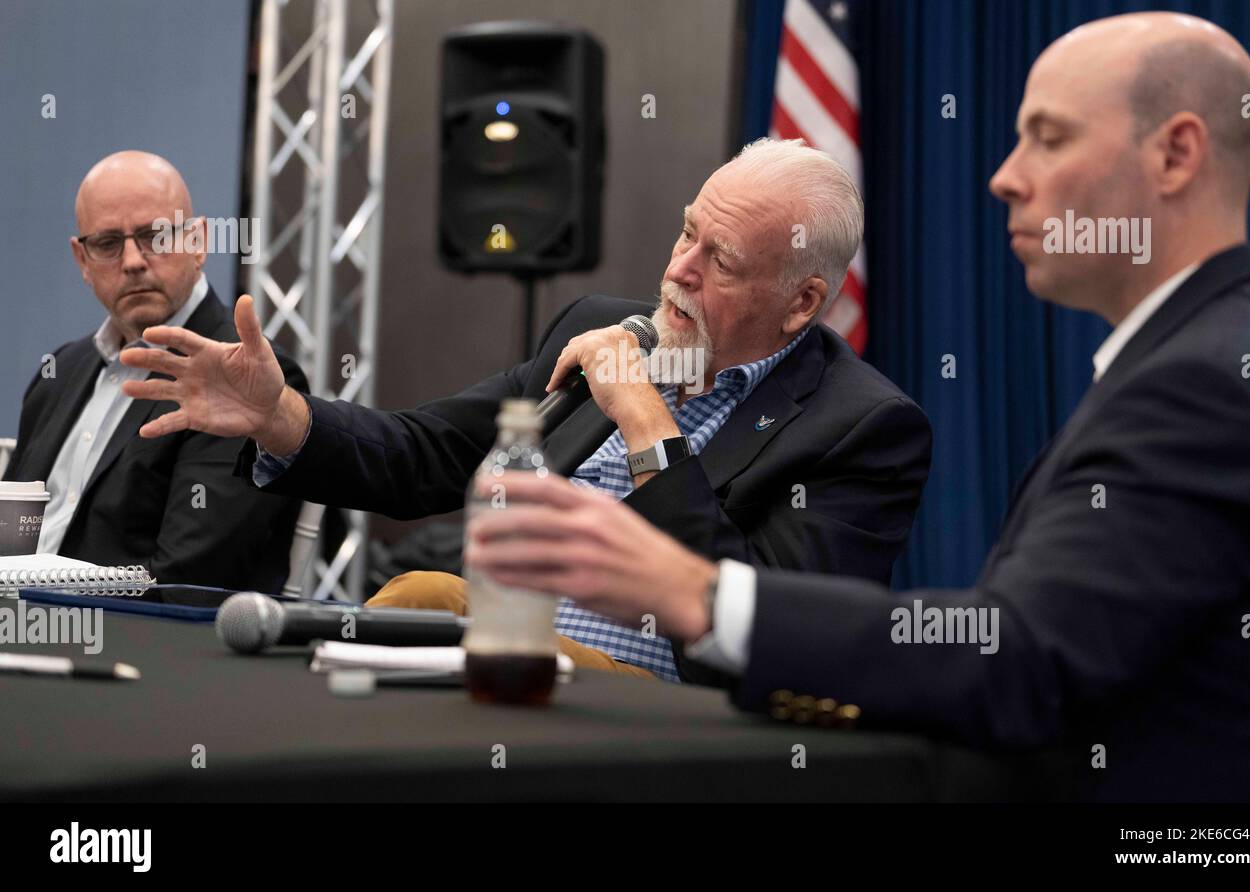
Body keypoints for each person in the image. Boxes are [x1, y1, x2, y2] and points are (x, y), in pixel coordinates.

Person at [463, 13, 1250, 801]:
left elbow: (1020, 661)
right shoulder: (1210, 354)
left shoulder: (1207, 381)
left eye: (1049, 137)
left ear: (1177, 154)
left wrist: (703, 596)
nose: (1006, 176)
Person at [118, 138, 932, 683]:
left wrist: (648, 422)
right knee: (416, 595)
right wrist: (281, 417)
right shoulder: (597, 328)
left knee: (419, 603)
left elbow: (772, 637)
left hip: (648, 716)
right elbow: (427, 453)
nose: (678, 270)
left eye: (719, 260)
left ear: (802, 305)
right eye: (686, 233)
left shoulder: (860, 429)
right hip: (499, 669)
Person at [3, 151, 308, 592]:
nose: (132, 261)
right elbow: (7, 539)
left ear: (199, 241)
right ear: (83, 261)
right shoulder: (59, 374)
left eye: (156, 237)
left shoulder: (245, 380)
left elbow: (188, 579)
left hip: (128, 645)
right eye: (108, 244)